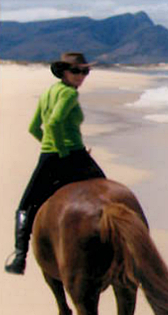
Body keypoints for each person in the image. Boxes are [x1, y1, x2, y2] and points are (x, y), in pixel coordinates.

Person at [4, 52, 106, 275]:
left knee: (26, 205)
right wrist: (64, 153)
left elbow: (34, 128)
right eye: (76, 71)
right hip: (75, 156)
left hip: (48, 157)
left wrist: (50, 147)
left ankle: (19, 258)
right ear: (63, 72)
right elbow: (54, 122)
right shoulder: (69, 95)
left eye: (85, 71)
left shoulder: (47, 93)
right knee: (108, 197)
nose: (81, 76)